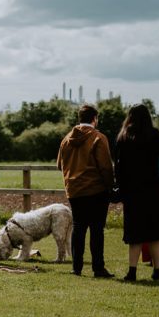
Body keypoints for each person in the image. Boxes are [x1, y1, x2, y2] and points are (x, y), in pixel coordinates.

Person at [114, 104, 159, 282]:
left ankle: (132, 271)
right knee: (155, 232)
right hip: (154, 190)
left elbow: (118, 167)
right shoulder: (155, 135)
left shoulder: (123, 137)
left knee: (135, 234)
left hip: (132, 192)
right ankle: (157, 270)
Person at [57, 104, 115, 278]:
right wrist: (110, 186)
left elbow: (59, 164)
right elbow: (105, 166)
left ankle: (77, 267)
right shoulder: (98, 137)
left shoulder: (66, 139)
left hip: (74, 190)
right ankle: (98, 268)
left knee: (79, 228)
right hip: (96, 189)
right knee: (97, 229)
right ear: (94, 118)